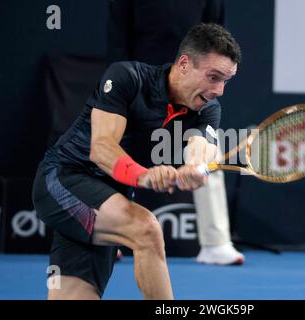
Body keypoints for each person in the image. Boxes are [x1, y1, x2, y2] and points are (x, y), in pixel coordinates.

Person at [32, 23, 241, 299]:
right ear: (184, 64)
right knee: (146, 228)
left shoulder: (207, 109)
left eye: (226, 81)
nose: (220, 90)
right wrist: (144, 175)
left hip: (107, 202)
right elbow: (102, 148)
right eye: (214, 77)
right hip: (63, 179)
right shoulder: (127, 78)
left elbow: (200, 147)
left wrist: (194, 169)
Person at [107, 0, 244, 265]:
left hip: (191, 86)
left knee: (205, 148)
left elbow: (218, 39)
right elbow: (117, 41)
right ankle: (109, 238)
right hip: (140, 85)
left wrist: (194, 163)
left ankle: (216, 243)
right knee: (113, 150)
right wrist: (125, 90)